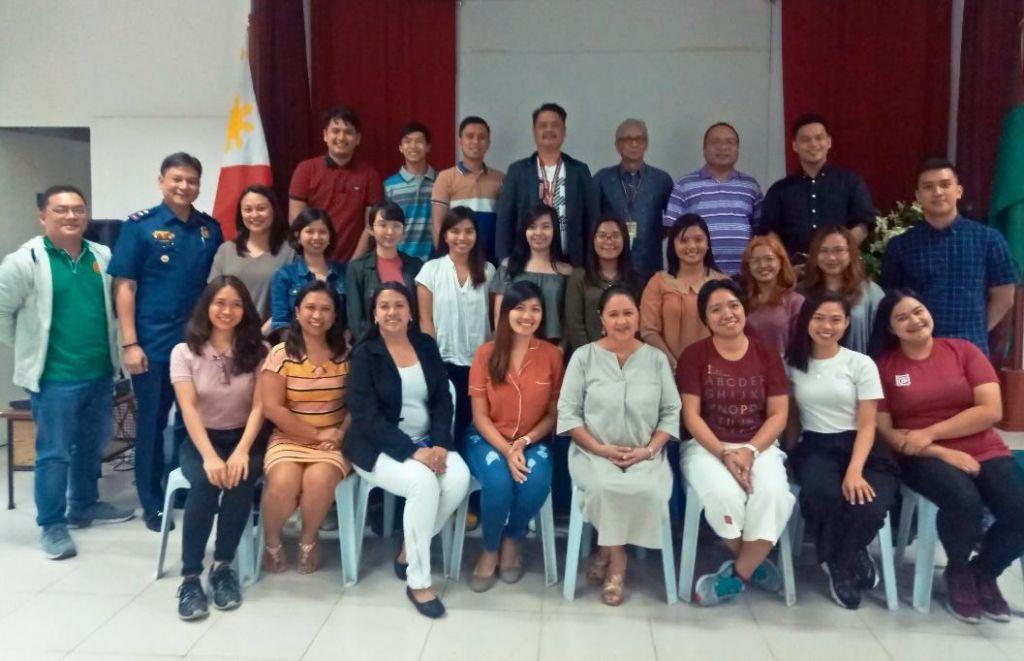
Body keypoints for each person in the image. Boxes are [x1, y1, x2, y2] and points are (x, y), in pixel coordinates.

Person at [870, 290, 1024, 623]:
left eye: (918, 311)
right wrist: (940, 450)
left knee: (1019, 509)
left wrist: (932, 432)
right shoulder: (885, 367)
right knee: (963, 501)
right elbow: (887, 433)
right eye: (902, 318)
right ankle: (956, 572)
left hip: (982, 446)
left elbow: (990, 409)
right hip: (920, 456)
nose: (914, 321)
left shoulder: (963, 351)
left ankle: (983, 572)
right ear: (892, 329)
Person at [0, 185, 133, 560]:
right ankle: (52, 524)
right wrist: (28, 350)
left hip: (99, 371)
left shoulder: (103, 256)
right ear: (43, 216)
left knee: (92, 444)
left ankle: (85, 505)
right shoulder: (25, 261)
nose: (71, 216)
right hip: (54, 377)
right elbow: (2, 313)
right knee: (53, 454)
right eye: (61, 210)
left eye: (78, 209)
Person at [108, 152, 223, 532]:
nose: (184, 186)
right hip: (153, 344)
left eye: (191, 180)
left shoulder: (210, 229)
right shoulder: (140, 226)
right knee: (153, 424)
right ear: (161, 181)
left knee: (196, 421)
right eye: (177, 179)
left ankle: (189, 487)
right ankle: (152, 501)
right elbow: (124, 286)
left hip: (198, 344)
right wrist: (130, 344)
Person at [344, 283, 471, 619]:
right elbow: (365, 416)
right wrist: (414, 453)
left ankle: (406, 553)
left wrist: (440, 443)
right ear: (374, 313)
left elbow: (444, 398)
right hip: (378, 448)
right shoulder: (365, 353)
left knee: (458, 478)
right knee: (424, 484)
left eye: (399, 305)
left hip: (430, 440)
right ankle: (418, 581)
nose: (392, 312)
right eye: (384, 306)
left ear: (411, 312)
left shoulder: (425, 345)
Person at [557, 284, 681, 606]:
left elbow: (671, 412)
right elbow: (568, 414)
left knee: (651, 492)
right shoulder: (583, 357)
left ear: (638, 316)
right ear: (602, 320)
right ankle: (618, 561)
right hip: (592, 452)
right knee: (602, 487)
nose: (622, 321)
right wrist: (600, 449)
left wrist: (649, 450)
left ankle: (604, 550)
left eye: (628, 313)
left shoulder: (655, 360)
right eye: (614, 314)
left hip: (646, 454)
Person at [678, 279, 795, 606]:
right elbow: (692, 417)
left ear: (744, 309)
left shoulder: (766, 354)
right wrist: (724, 454)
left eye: (732, 305)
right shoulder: (694, 356)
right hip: (707, 447)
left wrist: (750, 450)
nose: (726, 313)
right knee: (723, 495)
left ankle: (737, 575)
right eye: (715, 309)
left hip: (759, 446)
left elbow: (778, 414)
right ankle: (755, 565)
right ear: (706, 318)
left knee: (772, 495)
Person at [784, 292, 897, 609]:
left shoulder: (860, 364)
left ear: (847, 323)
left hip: (863, 448)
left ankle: (839, 562)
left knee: (869, 504)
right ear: (806, 321)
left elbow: (867, 424)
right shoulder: (792, 365)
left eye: (835, 319)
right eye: (819, 318)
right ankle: (848, 559)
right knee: (823, 496)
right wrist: (787, 456)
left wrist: (855, 470)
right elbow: (792, 419)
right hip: (817, 446)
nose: (826, 326)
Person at [170, 277, 268, 620]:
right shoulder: (184, 353)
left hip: (245, 437)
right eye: (220, 303)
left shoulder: (260, 351)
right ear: (207, 307)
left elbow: (260, 406)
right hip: (201, 439)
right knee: (206, 483)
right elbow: (189, 408)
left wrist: (242, 451)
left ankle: (223, 567)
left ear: (246, 310)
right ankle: (191, 577)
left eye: (236, 304)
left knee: (241, 480)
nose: (227, 311)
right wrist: (211, 457)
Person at [465, 281, 564, 592]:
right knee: (497, 482)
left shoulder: (551, 355)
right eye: (519, 307)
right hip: (488, 437)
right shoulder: (486, 354)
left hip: (533, 439)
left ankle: (512, 538)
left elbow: (552, 413)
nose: (527, 315)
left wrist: (522, 443)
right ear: (505, 311)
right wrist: (506, 449)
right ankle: (490, 548)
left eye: (535, 309)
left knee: (535, 482)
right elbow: (479, 415)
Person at [880, 158, 1016, 355]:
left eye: (945, 185)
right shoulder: (901, 246)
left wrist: (976, 330)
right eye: (928, 187)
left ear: (959, 191)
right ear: (918, 196)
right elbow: (892, 302)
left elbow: (1004, 297)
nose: (937, 192)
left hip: (971, 349)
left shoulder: (989, 239)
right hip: (918, 351)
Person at [260, 281, 351, 574]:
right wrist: (314, 434)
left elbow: (356, 404)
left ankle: (308, 540)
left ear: (335, 315)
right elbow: (272, 407)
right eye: (310, 307)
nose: (317, 315)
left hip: (333, 440)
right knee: (283, 484)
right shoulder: (280, 353)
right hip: (288, 437)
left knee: (319, 480)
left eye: (326, 309)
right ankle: (272, 540)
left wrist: (338, 434)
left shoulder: (346, 354)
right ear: (297, 312)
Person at [416, 206, 495, 444]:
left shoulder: (489, 270)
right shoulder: (430, 270)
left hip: (480, 361)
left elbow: (493, 318)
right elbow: (425, 319)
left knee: (473, 422)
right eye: (455, 231)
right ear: (445, 235)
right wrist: (433, 359)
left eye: (469, 231)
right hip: (443, 360)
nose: (462, 237)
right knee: (444, 420)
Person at [494, 102, 599, 267]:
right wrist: (505, 260)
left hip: (572, 263)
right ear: (534, 132)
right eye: (543, 126)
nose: (549, 130)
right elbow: (505, 221)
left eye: (555, 125)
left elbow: (592, 220)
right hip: (527, 263)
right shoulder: (518, 171)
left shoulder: (580, 171)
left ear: (564, 131)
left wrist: (589, 264)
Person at [760, 113, 875, 260]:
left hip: (841, 271)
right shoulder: (779, 190)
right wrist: (786, 265)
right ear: (794, 146)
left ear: (829, 142)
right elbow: (770, 231)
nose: (813, 144)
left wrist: (835, 255)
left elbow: (863, 225)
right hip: (795, 274)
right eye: (805, 140)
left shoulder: (851, 182)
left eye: (819, 138)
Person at [664, 122, 763, 276]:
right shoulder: (685, 185)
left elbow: (760, 232)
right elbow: (673, 233)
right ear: (704, 149)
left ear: (737, 149)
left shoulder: (750, 185)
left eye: (729, 142)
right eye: (715, 142)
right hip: (699, 278)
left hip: (744, 277)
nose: (722, 147)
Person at [289, 105, 384, 262]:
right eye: (335, 131)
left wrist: (354, 264)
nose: (341, 137)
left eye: (348, 132)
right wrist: (317, 260)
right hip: (311, 261)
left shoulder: (370, 175)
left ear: (358, 138)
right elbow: (296, 220)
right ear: (325, 135)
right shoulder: (305, 169)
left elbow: (370, 226)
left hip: (353, 263)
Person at [640, 214, 727, 371]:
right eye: (683, 240)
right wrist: (674, 365)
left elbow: (731, 330)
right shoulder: (658, 282)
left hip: (714, 371)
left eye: (699, 240)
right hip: (665, 372)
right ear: (672, 244)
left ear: (708, 244)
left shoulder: (723, 283)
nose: (692, 246)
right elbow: (648, 330)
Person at [592, 119, 673, 277]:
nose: (634, 144)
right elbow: (593, 221)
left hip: (650, 264)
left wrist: (652, 236)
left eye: (639, 139)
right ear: (617, 145)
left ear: (646, 143)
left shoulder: (661, 180)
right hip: (611, 267)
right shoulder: (602, 179)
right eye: (627, 139)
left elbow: (672, 221)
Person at [208, 185, 295, 328]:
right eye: (248, 209)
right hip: (229, 334)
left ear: (274, 210)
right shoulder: (226, 250)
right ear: (240, 214)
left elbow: (291, 302)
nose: (254, 215)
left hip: (273, 337)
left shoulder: (290, 253)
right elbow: (213, 298)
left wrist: (261, 335)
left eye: (261, 208)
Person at [490, 203, 573, 344]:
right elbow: (499, 315)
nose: (538, 233)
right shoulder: (508, 266)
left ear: (555, 231)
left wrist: (561, 349)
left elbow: (569, 319)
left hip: (552, 346)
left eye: (545, 226)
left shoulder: (567, 272)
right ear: (524, 231)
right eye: (532, 227)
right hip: (513, 344)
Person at [431, 116, 505, 262]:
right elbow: (437, 223)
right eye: (470, 136)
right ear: (460, 141)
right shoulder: (445, 177)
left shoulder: (500, 178)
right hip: (455, 259)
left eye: (481, 137)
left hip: (490, 259)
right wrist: (445, 260)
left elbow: (505, 223)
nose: (475, 142)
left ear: (488, 143)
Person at [565, 214, 644, 351]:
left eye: (615, 235)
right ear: (593, 240)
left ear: (625, 239)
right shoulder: (579, 277)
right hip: (590, 358)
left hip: (628, 357)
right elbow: (575, 325)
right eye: (602, 235)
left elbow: (640, 325)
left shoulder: (635, 280)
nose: (609, 240)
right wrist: (591, 357)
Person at [799, 226, 882, 354]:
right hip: (810, 369)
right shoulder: (801, 292)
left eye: (838, 250)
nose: (831, 258)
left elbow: (883, 337)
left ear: (851, 252)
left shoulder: (870, 292)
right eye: (824, 251)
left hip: (857, 370)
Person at [346, 201, 423, 339]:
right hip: (372, 350)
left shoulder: (416, 266)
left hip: (410, 346)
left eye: (396, 226)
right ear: (370, 229)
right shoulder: (357, 268)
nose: (390, 231)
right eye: (383, 225)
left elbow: (421, 315)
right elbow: (356, 321)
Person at [269, 208, 346, 332]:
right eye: (309, 231)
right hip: (296, 347)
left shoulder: (345, 273)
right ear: (297, 236)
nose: (316, 237)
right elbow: (281, 322)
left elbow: (349, 321)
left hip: (338, 346)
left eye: (322, 232)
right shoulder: (285, 275)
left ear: (330, 236)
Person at [740, 235, 804, 355]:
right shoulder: (740, 302)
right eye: (756, 261)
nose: (763, 265)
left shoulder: (795, 302)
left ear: (781, 262)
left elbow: (801, 347)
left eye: (769, 259)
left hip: (785, 370)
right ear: (748, 266)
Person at [385, 122, 437, 260]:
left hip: (434, 261)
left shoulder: (441, 182)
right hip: (400, 260)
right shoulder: (389, 186)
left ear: (428, 147)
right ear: (400, 148)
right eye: (407, 142)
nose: (413, 146)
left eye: (419, 141)